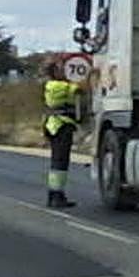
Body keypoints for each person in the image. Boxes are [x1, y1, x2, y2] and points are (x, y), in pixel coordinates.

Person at [42, 58, 81, 209]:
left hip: (53, 124)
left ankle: (54, 194)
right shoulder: (59, 86)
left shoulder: (50, 85)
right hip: (61, 125)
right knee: (60, 162)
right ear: (54, 72)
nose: (64, 72)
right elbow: (80, 89)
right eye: (60, 70)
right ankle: (56, 195)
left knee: (57, 161)